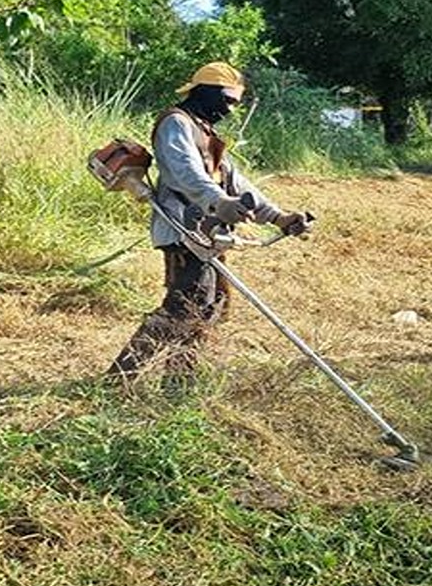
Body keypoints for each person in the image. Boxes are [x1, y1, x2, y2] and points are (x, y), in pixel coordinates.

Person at [108, 61, 310, 386]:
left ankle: (179, 383)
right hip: (182, 231)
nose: (230, 109)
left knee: (209, 307)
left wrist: (277, 216)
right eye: (227, 100)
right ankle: (118, 380)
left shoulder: (205, 132)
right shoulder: (175, 123)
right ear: (205, 91)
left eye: (235, 103)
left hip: (206, 235)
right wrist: (219, 202)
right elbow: (184, 173)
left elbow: (237, 184)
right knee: (184, 306)